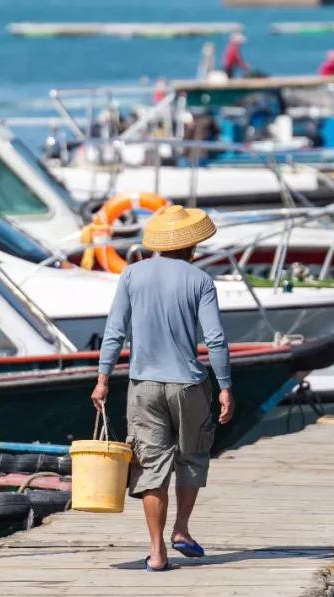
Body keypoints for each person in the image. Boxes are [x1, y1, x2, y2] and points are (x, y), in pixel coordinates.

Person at [92, 205, 233, 572]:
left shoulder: (131, 275)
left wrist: (103, 378)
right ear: (193, 246)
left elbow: (114, 332)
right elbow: (215, 339)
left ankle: (156, 553)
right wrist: (225, 386)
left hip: (144, 386)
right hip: (189, 384)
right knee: (191, 457)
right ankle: (181, 530)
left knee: (151, 468)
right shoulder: (200, 280)